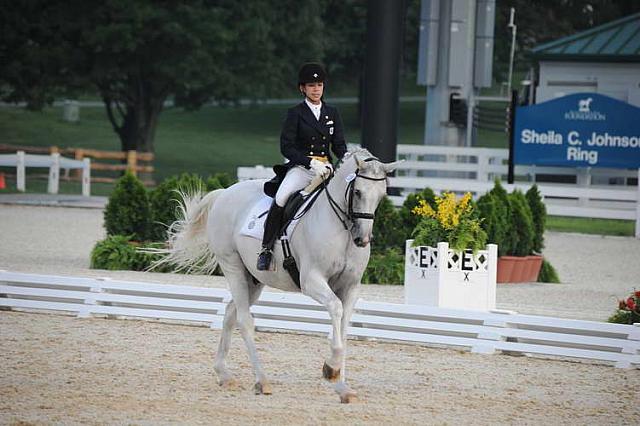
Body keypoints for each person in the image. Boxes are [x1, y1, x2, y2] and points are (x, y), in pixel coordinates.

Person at [257, 62, 348, 271]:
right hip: (302, 168)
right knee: (280, 199)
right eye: (311, 85)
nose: (316, 89)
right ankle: (266, 249)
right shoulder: (295, 113)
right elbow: (286, 147)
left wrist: (347, 160)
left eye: (319, 84)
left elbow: (339, 145)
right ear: (302, 88)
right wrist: (310, 162)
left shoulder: (332, 113)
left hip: (326, 170)